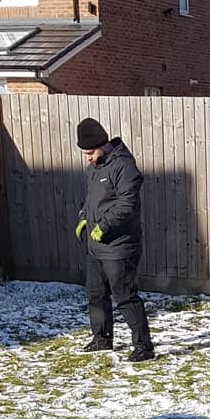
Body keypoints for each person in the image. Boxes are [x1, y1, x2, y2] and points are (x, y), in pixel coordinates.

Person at [74, 118, 155, 362]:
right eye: (85, 153)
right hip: (96, 247)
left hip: (120, 246)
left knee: (125, 296)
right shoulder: (93, 170)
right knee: (95, 293)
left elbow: (127, 204)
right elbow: (91, 201)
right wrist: (84, 219)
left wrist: (103, 227)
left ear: (102, 145)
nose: (88, 158)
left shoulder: (124, 167)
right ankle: (101, 338)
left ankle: (143, 347)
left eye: (90, 152)